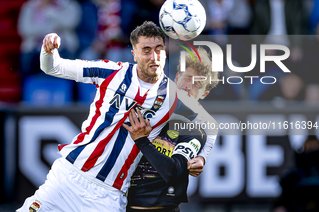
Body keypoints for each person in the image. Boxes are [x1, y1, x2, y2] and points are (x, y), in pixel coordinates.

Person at [17, 21, 212, 212]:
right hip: (68, 177)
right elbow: (53, 67)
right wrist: (48, 51)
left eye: (159, 49)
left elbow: (210, 125)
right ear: (134, 54)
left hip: (109, 194)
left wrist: (202, 157)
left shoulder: (174, 96)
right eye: (146, 50)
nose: (154, 56)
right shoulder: (111, 72)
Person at [125, 47, 219, 211]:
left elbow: (211, 130)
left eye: (198, 85)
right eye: (188, 78)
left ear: (204, 94)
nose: (189, 86)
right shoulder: (150, 99)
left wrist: (202, 157)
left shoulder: (197, 127)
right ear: (176, 77)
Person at [17, 0, 81, 77]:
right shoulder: (30, 6)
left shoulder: (70, 4)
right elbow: (25, 30)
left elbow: (70, 23)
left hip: (63, 48)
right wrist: (52, 26)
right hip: (35, 47)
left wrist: (50, 11)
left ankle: (70, 91)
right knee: (26, 60)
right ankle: (26, 89)